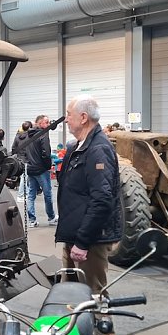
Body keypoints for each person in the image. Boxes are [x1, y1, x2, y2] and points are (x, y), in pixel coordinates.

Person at [56, 94, 122, 296]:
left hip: (90, 242)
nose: (66, 119)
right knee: (70, 296)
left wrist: (83, 242)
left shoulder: (98, 149)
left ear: (83, 117)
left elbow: (102, 200)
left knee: (93, 296)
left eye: (69, 114)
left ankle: (99, 320)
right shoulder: (78, 146)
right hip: (74, 236)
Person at [24, 115, 56, 227]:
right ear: (40, 123)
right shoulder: (43, 135)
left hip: (31, 168)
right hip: (41, 169)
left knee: (31, 195)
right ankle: (51, 217)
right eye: (47, 122)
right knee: (47, 194)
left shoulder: (28, 135)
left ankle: (32, 220)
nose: (49, 124)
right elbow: (46, 153)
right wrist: (48, 166)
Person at [11, 121, 32, 202]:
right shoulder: (30, 137)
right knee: (25, 178)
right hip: (27, 159)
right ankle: (21, 195)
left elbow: (13, 148)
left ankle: (25, 194)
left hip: (19, 159)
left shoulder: (17, 136)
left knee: (24, 177)